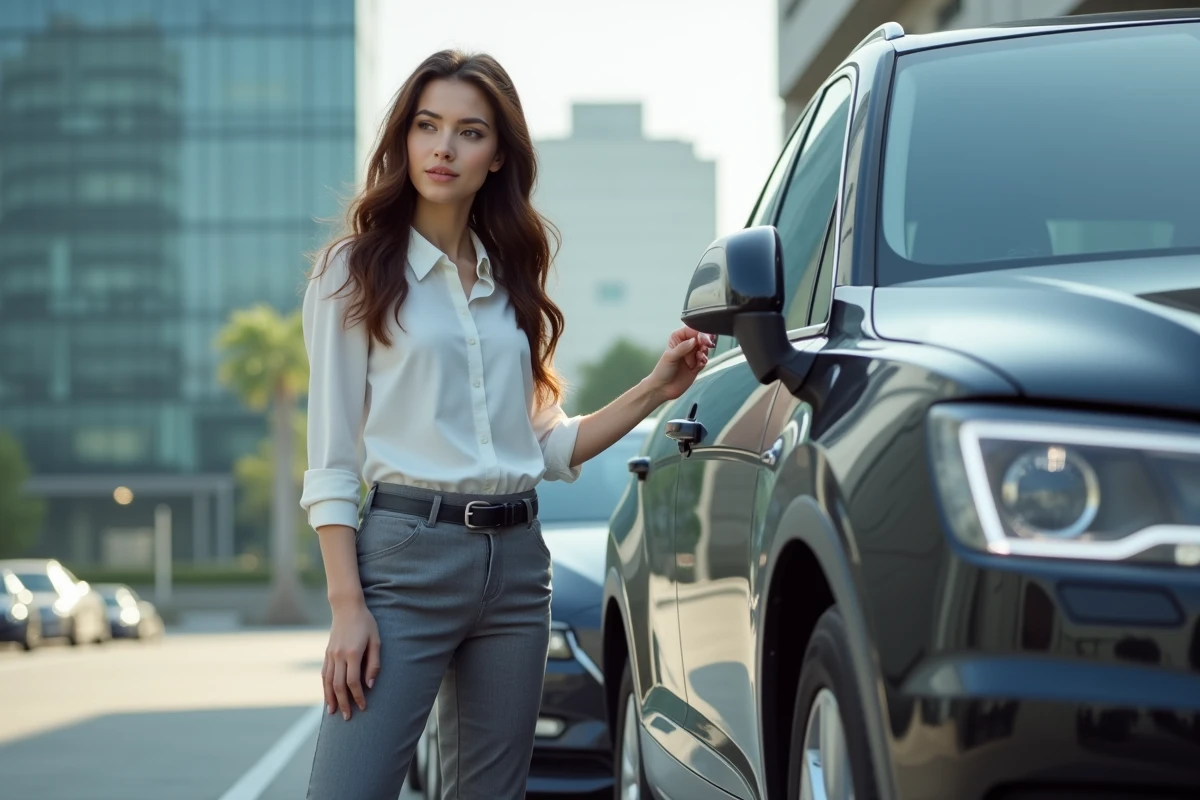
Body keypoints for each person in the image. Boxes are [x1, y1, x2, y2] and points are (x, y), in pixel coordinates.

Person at [300, 49, 714, 800]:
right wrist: (346, 607)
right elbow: (329, 461)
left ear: (497, 156)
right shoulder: (352, 271)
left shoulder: (508, 280)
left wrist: (658, 387)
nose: (443, 149)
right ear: (404, 137)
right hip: (403, 563)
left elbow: (549, 448)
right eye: (427, 126)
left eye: (469, 132)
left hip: (519, 568)